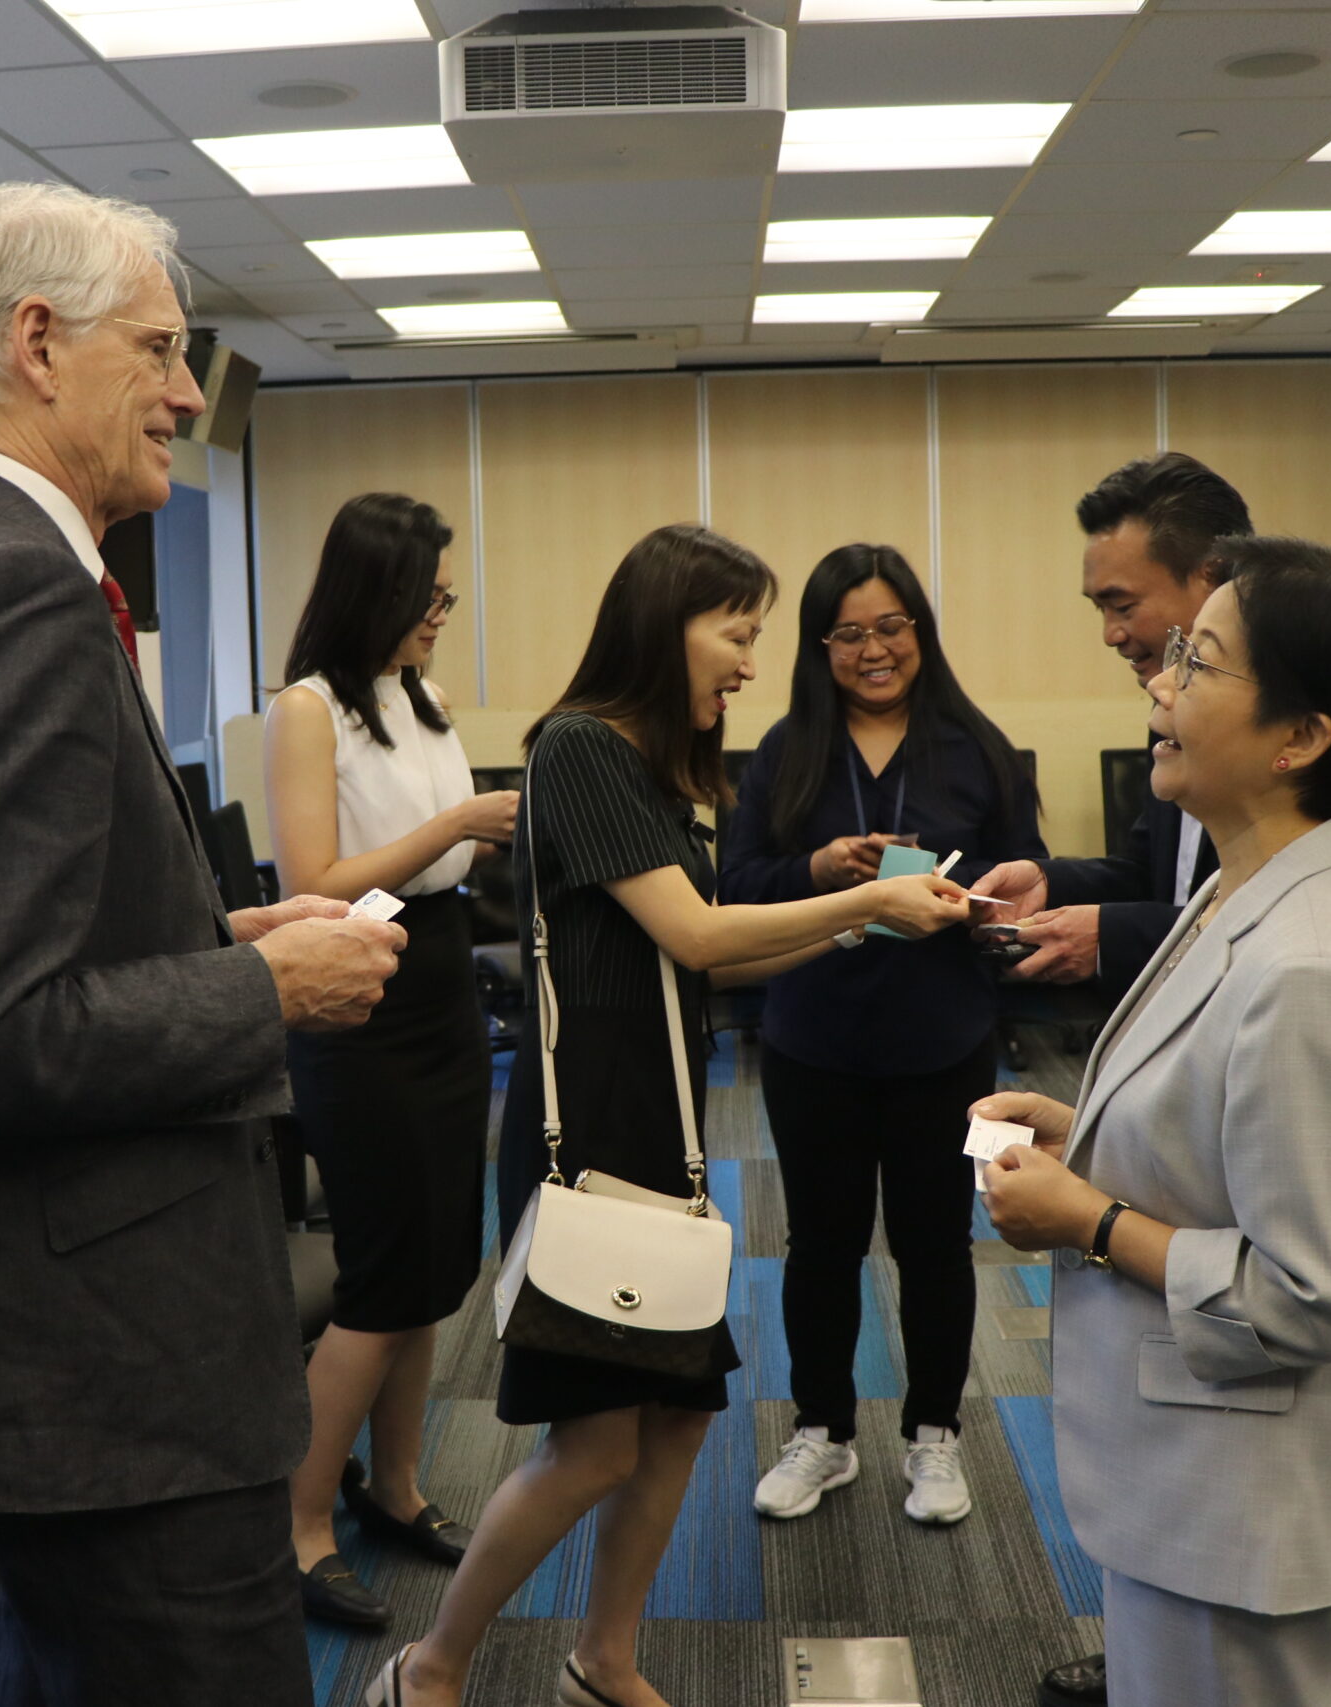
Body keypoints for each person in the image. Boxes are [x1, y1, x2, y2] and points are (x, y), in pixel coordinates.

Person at [0, 182, 404, 1707]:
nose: (184, 392)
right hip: (102, 1364)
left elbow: (23, 929)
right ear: (36, 342)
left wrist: (213, 927)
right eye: (158, 348)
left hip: (71, 1345)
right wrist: (262, 986)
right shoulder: (6, 585)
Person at [372, 526, 969, 1707]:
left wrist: (861, 919)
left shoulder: (653, 769)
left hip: (662, 1123)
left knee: (681, 1423)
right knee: (592, 1442)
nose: (750, 664)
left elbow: (702, 969)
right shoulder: (581, 751)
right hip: (588, 1127)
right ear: (665, 625)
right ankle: (429, 1668)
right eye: (736, 633)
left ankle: (605, 1659)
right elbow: (700, 935)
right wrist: (868, 895)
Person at [983, 455, 1331, 1707]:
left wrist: (1088, 1217)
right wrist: (1085, 1135)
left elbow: (1306, 1297)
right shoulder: (1242, 888)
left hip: (1247, 1508)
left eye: (1199, 662)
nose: (1158, 680)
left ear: (1301, 736)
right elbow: (1232, 1140)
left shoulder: (1313, 968)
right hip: (1190, 1480)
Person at [717, 543, 1046, 1527]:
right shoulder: (784, 751)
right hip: (812, 1037)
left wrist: (979, 906)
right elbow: (736, 890)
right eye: (849, 633)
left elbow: (1018, 880)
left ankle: (934, 1436)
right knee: (818, 1245)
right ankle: (822, 1432)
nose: (873, 649)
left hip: (943, 1040)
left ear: (919, 631)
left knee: (938, 1243)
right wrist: (818, 869)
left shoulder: (971, 743)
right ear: (821, 648)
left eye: (891, 626)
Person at [263, 493, 520, 1627]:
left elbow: (442, 864)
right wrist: (458, 824)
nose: (439, 619)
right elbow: (311, 884)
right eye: (430, 599)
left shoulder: (420, 698)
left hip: (442, 980)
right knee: (377, 1277)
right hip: (355, 992)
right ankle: (301, 1520)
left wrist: (462, 835)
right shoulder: (305, 710)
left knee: (434, 1269)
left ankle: (398, 1488)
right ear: (378, 591)